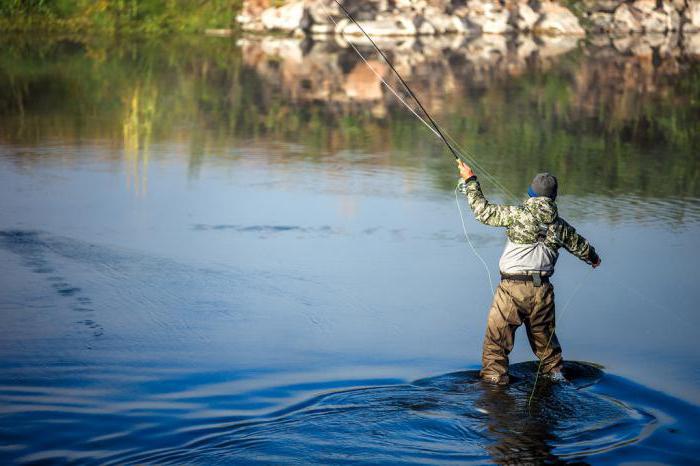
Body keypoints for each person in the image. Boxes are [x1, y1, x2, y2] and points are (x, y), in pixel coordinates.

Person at [457, 160, 601, 385]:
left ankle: (495, 390)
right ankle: (556, 380)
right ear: (553, 198)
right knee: (547, 349)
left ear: (531, 193)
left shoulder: (517, 214)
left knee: (496, 345)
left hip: (511, 291)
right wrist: (594, 259)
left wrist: (470, 180)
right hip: (542, 292)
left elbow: (482, 212)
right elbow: (583, 247)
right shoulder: (561, 227)